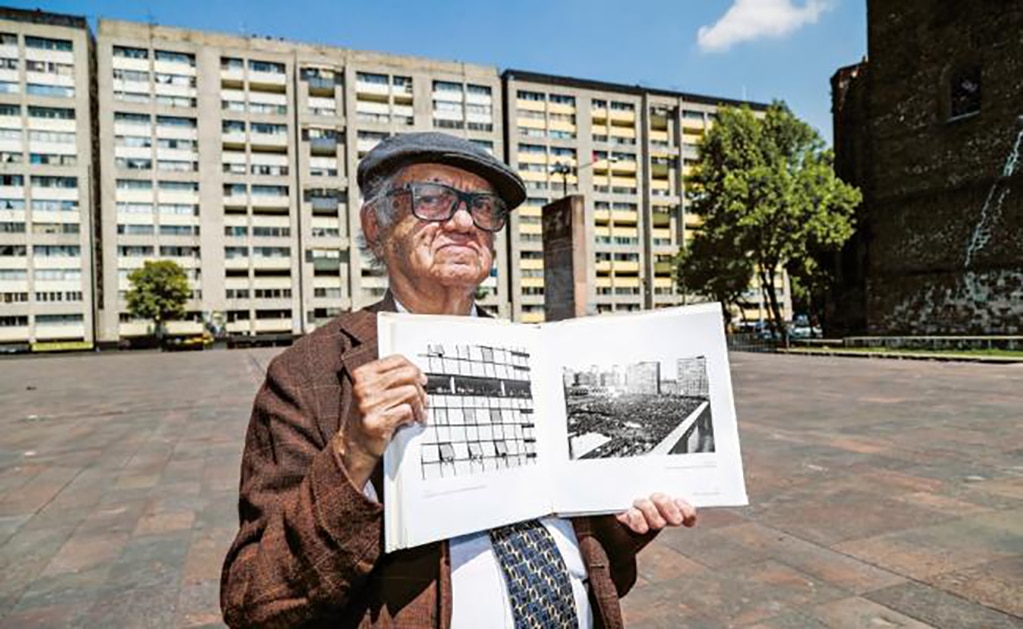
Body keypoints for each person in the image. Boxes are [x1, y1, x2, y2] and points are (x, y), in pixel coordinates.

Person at [220, 132, 697, 628]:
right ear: (375, 224)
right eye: (432, 199)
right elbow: (256, 603)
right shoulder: (307, 372)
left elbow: (594, 560)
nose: (465, 222)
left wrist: (623, 523)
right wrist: (352, 455)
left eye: (483, 206)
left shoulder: (537, 353)